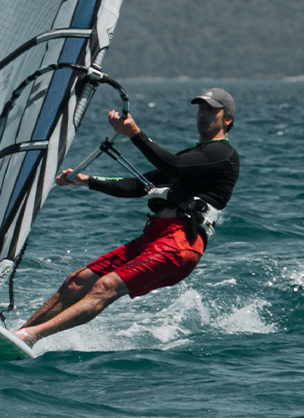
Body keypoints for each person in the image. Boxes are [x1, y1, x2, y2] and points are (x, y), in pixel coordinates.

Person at [13, 87, 240, 347]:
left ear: (227, 119)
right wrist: (87, 181)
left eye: (211, 110)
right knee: (77, 281)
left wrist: (134, 133)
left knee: (105, 286)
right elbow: (136, 186)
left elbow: (173, 166)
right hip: (155, 237)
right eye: (201, 109)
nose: (203, 114)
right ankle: (16, 336)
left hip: (181, 244)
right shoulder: (194, 157)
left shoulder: (222, 155)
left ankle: (29, 337)